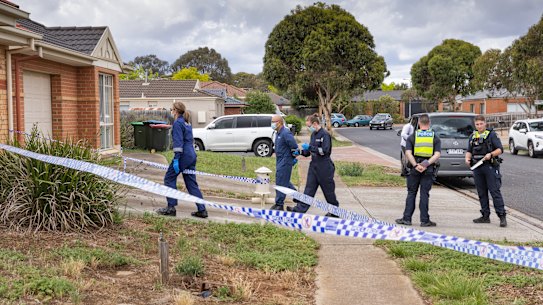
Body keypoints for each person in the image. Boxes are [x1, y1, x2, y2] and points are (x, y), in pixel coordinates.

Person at [157, 101, 208, 218]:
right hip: (192, 156)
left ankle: (171, 207)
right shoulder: (187, 123)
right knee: (191, 183)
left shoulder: (178, 123)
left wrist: (176, 159)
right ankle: (202, 210)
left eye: (171, 109)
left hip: (183, 156)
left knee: (169, 178)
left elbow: (178, 143)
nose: (171, 111)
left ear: (175, 111)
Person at [287, 114, 339, 217]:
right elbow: (309, 152)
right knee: (308, 190)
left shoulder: (324, 135)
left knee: (328, 192)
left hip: (324, 167)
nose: (308, 128)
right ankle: (299, 210)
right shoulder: (313, 135)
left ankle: (334, 212)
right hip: (314, 166)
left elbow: (324, 151)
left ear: (315, 124)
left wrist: (310, 147)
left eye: (308, 125)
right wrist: (301, 152)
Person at [396, 113, 441, 227]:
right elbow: (437, 154)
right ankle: (424, 220)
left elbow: (407, 153)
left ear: (419, 124)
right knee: (424, 194)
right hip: (428, 169)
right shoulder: (435, 137)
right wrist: (426, 164)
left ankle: (407, 219)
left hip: (414, 169)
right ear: (429, 124)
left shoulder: (413, 136)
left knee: (411, 193)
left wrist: (416, 165)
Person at [465, 115, 507, 227]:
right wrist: (467, 158)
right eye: (477, 124)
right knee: (481, 193)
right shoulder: (473, 136)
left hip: (489, 166)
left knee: (494, 192)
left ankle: (502, 216)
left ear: (485, 124)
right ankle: (485, 216)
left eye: (481, 124)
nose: (479, 126)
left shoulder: (491, 135)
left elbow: (500, 149)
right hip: (477, 167)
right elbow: (469, 150)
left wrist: (491, 154)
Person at [270, 114, 299, 211]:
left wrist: (293, 158)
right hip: (280, 160)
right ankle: (298, 197)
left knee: (281, 182)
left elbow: (294, 146)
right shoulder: (278, 133)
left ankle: (279, 204)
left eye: (273, 122)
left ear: (279, 122)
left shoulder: (285, 133)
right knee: (284, 181)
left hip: (286, 161)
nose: (272, 124)